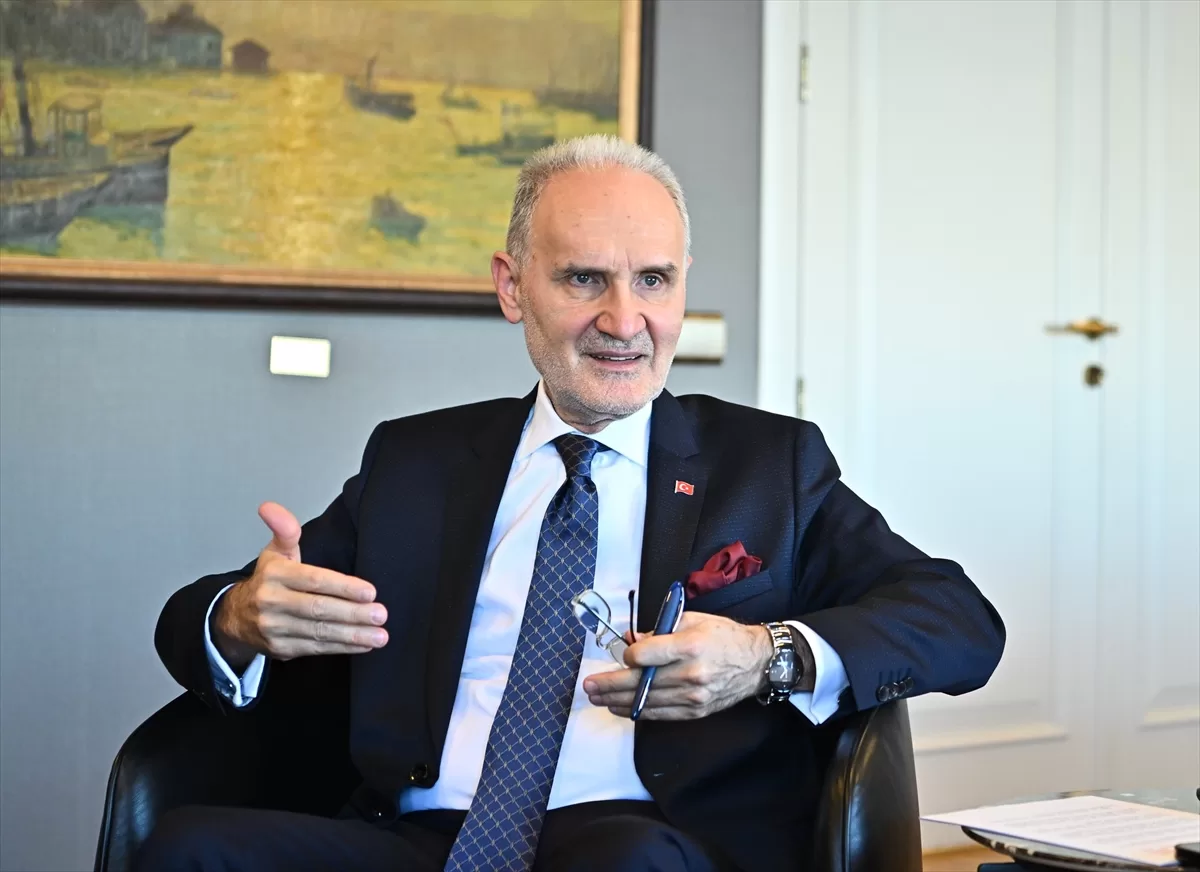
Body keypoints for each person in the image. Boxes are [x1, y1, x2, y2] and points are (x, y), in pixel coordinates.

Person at [141, 134, 1005, 872]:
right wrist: (239, 617)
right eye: (585, 279)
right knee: (190, 846)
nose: (625, 321)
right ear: (513, 286)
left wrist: (764, 654)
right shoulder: (416, 462)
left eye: (654, 280)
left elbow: (958, 618)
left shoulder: (767, 465)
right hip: (422, 837)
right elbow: (216, 615)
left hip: (641, 837)